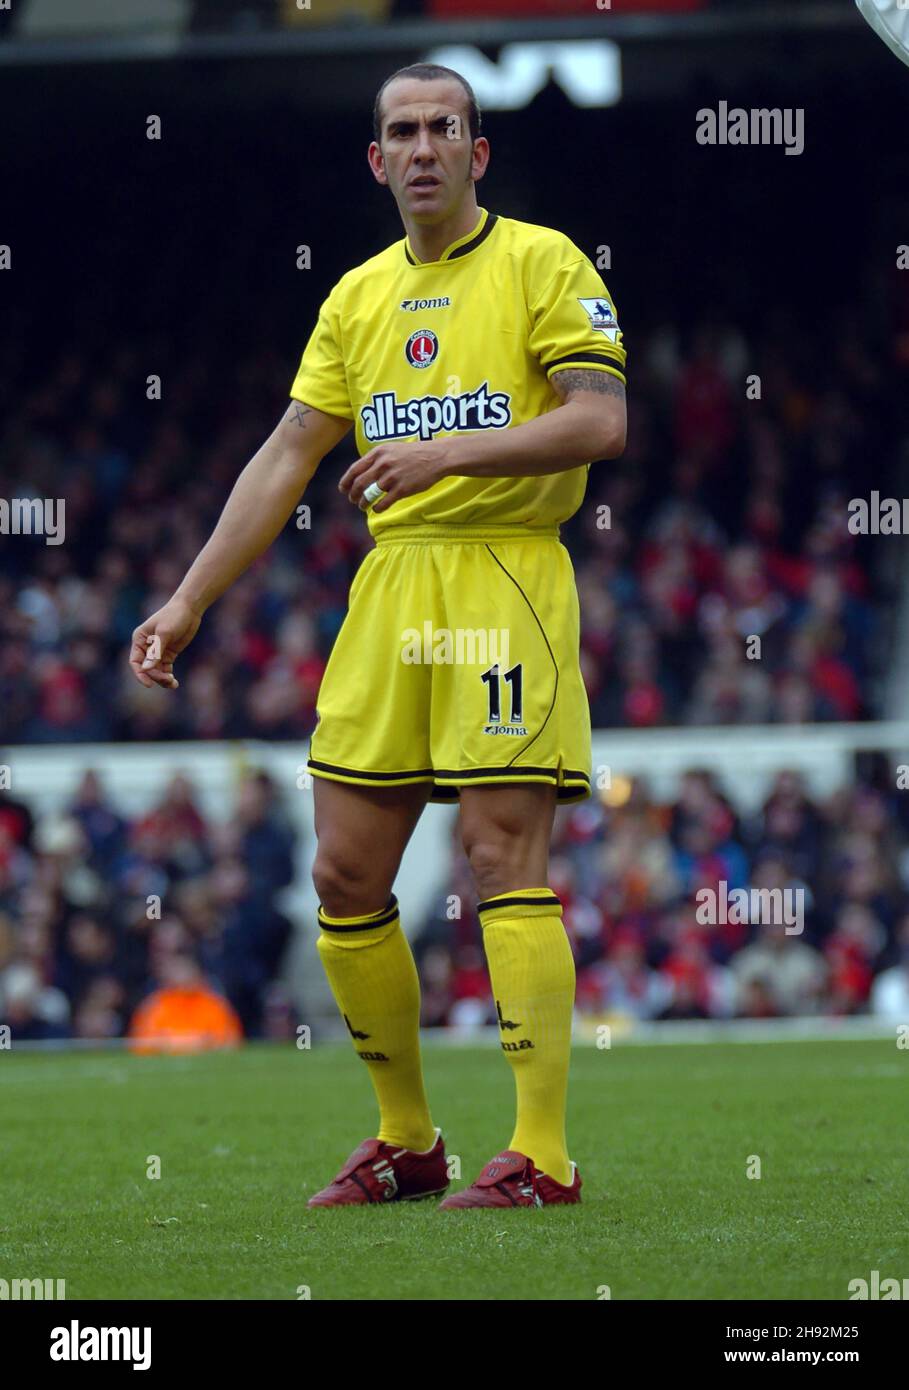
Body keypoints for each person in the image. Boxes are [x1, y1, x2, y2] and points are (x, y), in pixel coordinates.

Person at [130, 63, 626, 1208]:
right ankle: (409, 1139)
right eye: (399, 132)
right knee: (345, 871)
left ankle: (543, 1154)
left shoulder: (544, 262)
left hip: (504, 576)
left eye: (442, 129)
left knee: (504, 860)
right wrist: (189, 597)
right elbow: (288, 451)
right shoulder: (355, 297)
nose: (420, 149)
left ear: (476, 151)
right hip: (391, 593)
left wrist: (444, 454)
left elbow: (601, 417)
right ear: (376, 159)